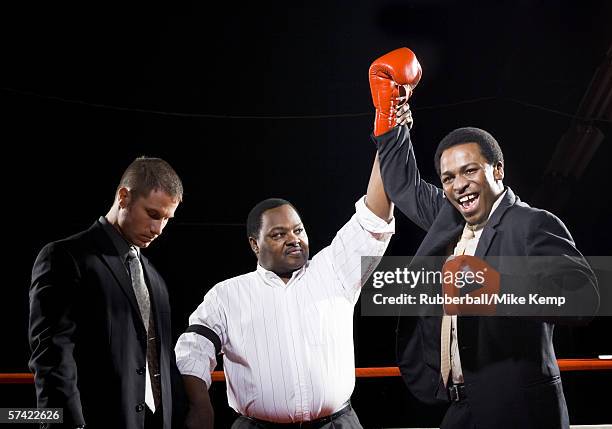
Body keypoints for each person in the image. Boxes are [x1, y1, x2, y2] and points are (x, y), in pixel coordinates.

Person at [371, 48, 600, 428]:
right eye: (448, 178)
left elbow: (584, 296)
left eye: (470, 171)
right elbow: (404, 185)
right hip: (461, 408)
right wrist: (388, 118)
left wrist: (494, 285)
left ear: (498, 169)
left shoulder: (531, 224)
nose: (460, 185)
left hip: (520, 410)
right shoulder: (450, 215)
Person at [173, 110, 402, 427]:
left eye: (298, 230)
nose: (293, 239)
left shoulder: (333, 269)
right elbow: (192, 348)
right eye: (279, 234)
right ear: (255, 244)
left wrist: (389, 130)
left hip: (338, 423)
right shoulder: (227, 295)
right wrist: (200, 405)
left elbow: (373, 216)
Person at [29, 157, 186, 429]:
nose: (159, 229)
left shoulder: (156, 279)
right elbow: (51, 358)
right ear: (123, 197)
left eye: (166, 219)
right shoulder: (65, 257)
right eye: (153, 214)